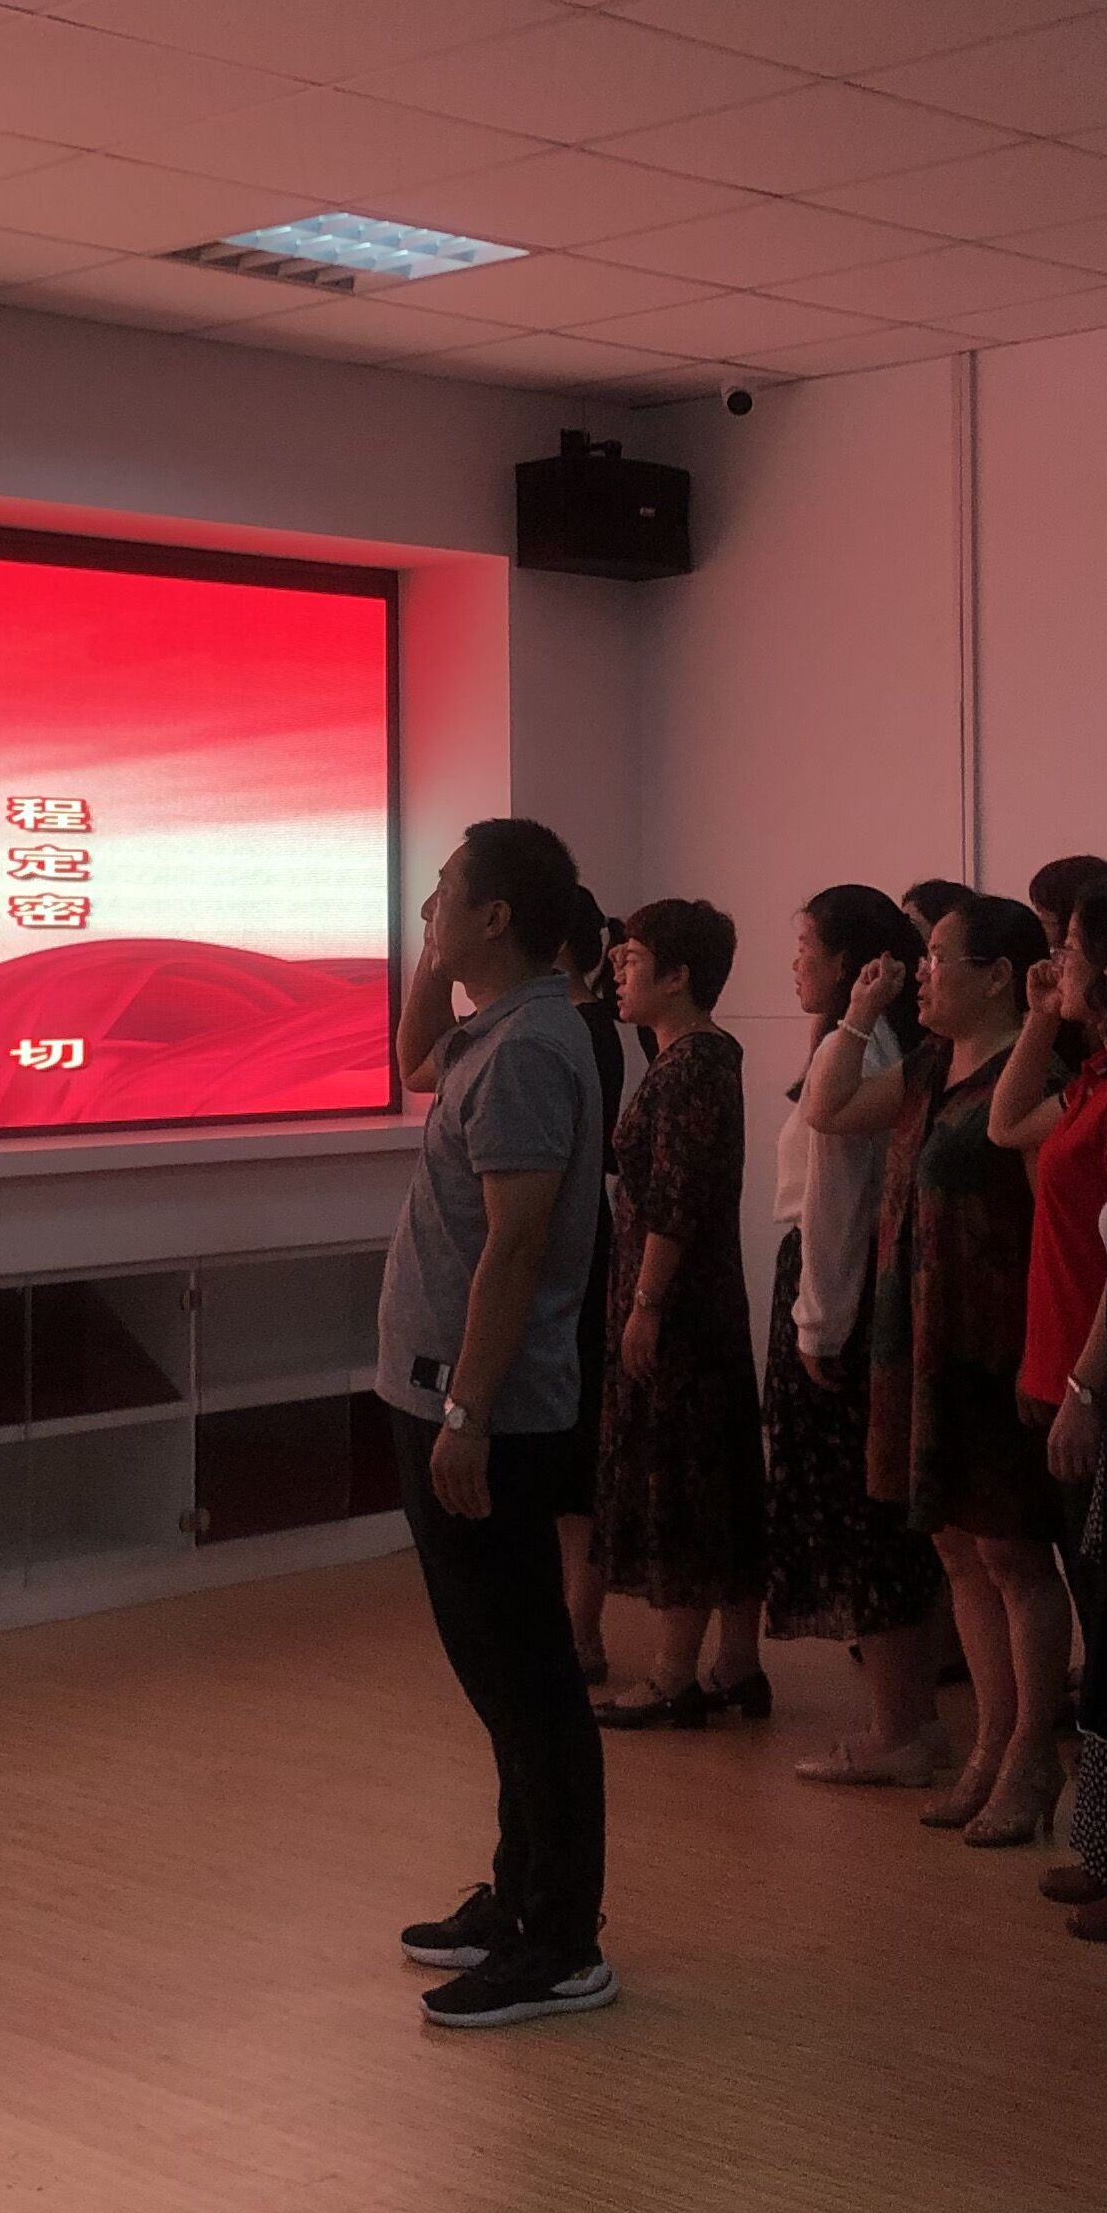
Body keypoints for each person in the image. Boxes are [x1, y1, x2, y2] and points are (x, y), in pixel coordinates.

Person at [381, 819, 618, 2032]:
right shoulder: (497, 1029)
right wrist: (434, 956)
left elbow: (517, 1246)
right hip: (446, 1397)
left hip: (489, 1414)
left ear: (497, 917)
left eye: (444, 895)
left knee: (527, 1684)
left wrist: (469, 1410)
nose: (429, 909)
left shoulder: (528, 1049)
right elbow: (413, 1061)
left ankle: (561, 1942)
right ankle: (519, 1898)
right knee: (500, 1676)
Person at [814, 894, 1070, 1848]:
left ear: (998, 976)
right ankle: (990, 1744)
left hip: (997, 1347)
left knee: (1013, 1555)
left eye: (936, 959)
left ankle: (1031, 1752)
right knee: (958, 1550)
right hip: (920, 1338)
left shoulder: (1034, 1074)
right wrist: (856, 1016)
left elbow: (1057, 1226)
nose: (919, 973)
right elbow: (830, 1108)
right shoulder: (927, 1064)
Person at [998, 877, 1107, 1925]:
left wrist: (1085, 1385)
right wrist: (1038, 1018)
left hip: (1098, 1375)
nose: (1052, 963)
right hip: (1058, 1363)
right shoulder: (1099, 1075)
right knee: (1104, 1632)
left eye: (1065, 947)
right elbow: (1004, 1123)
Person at [767, 885, 954, 1786]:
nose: (794, 962)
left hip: (839, 1300)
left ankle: (899, 1729)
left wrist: (820, 1325)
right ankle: (908, 1723)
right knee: (869, 1519)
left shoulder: (864, 1048)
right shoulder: (862, 1044)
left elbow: (839, 1211)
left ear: (847, 962)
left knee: (863, 1521)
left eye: (806, 945)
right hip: (841, 1294)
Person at [589, 900, 769, 1727]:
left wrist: (646, 1304)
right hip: (700, 1299)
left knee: (683, 1474)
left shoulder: (691, 1065)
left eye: (632, 959)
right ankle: (735, 1664)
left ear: (678, 976)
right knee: (716, 1470)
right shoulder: (696, 1057)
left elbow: (674, 1198)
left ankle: (672, 1674)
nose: (617, 971)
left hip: (679, 1305)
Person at [549, 887, 630, 1684]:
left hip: (572, 1248)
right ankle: (574, 1630)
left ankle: (578, 1633)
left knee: (574, 1461)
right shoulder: (590, 1023)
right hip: (584, 1241)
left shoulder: (574, 1026)